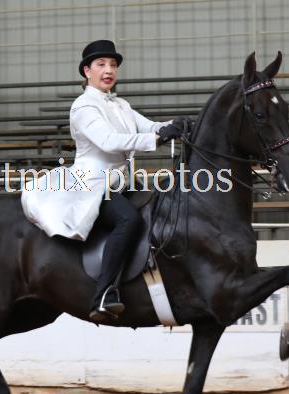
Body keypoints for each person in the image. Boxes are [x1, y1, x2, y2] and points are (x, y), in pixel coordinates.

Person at [22, 40, 191, 322]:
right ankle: (104, 293)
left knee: (160, 204)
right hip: (92, 184)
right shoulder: (83, 106)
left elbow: (149, 126)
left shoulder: (121, 104)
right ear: (87, 71)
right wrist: (156, 138)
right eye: (101, 65)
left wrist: (174, 126)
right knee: (129, 220)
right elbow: (109, 141)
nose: (108, 70)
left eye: (112, 65)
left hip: (121, 182)